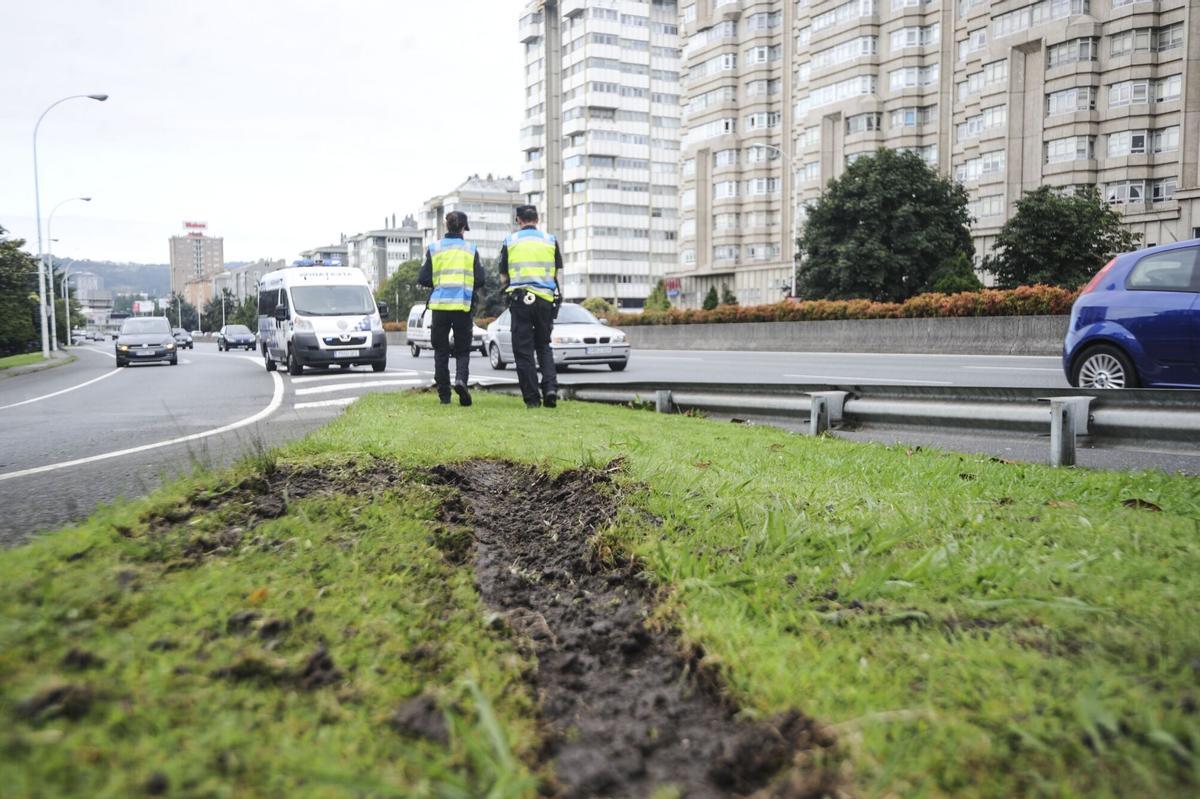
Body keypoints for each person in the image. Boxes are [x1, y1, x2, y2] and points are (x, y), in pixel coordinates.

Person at [497, 205, 564, 408]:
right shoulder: (550, 240)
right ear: (537, 218)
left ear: (518, 220)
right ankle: (550, 388)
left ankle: (533, 399)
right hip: (545, 299)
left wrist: (506, 293)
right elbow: (556, 274)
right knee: (544, 345)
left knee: (523, 351)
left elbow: (503, 276)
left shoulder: (511, 241)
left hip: (520, 299)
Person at [418, 210, 486, 406]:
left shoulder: (434, 248)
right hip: (462, 307)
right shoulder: (470, 249)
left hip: (440, 307)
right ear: (463, 228)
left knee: (440, 351)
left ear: (447, 226)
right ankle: (461, 381)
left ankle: (444, 396)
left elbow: (422, 278)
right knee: (463, 350)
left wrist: (439, 283)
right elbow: (480, 279)